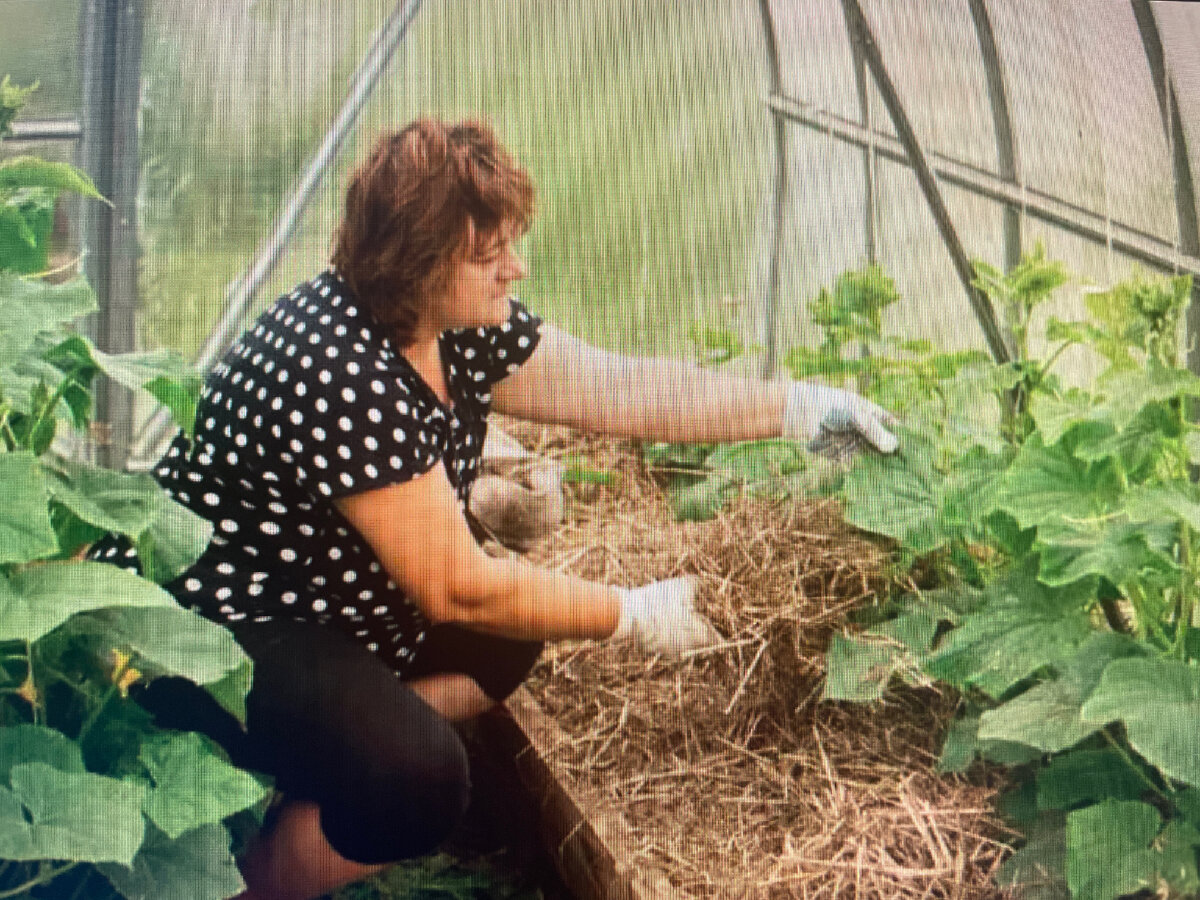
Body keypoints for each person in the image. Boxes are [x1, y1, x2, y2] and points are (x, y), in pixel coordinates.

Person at [88, 118, 898, 900]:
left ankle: (305, 790)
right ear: (418, 260)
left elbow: (617, 387)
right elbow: (459, 588)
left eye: (509, 243)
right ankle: (251, 884)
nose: (515, 269)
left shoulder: (451, 327)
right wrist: (635, 613)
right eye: (489, 253)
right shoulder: (338, 366)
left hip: (321, 597)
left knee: (505, 643)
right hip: (209, 625)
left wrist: (791, 409)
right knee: (419, 781)